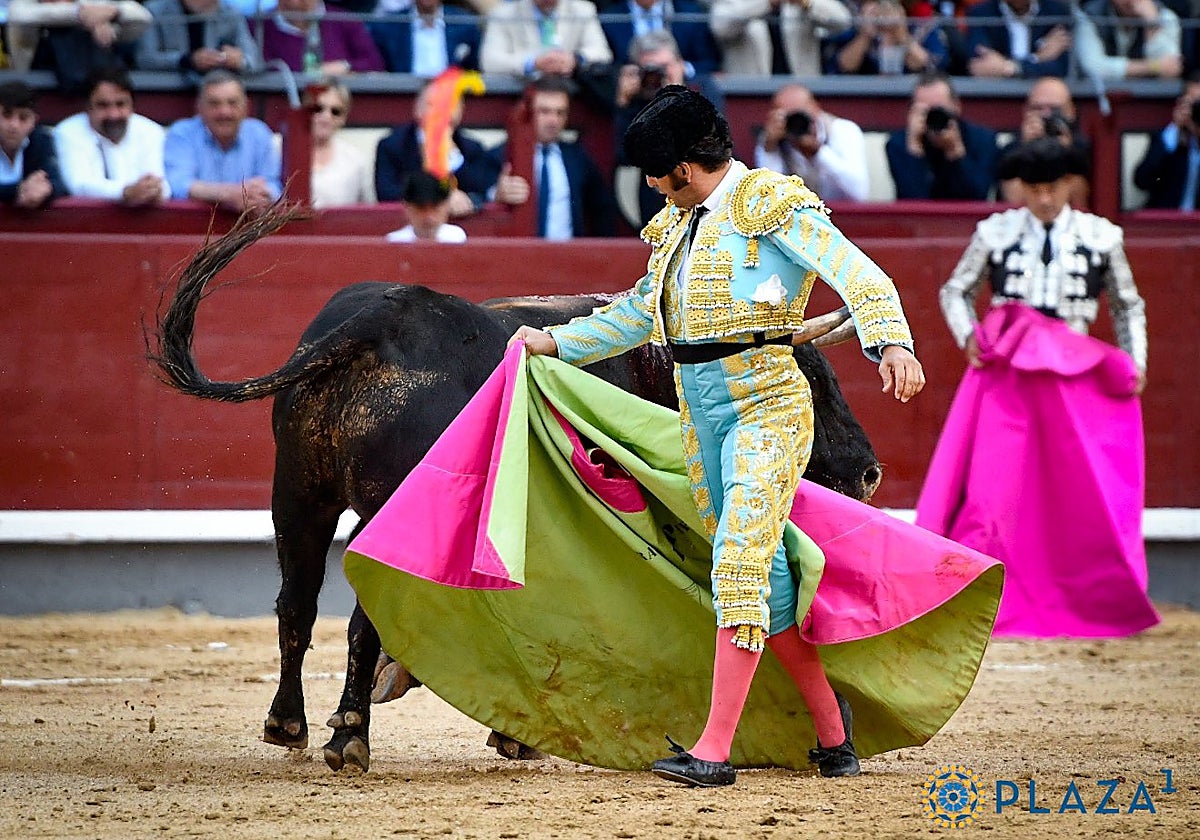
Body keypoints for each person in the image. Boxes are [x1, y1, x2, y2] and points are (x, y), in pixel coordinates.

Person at [509, 85, 925, 787]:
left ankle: (713, 750)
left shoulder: (769, 203)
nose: (649, 186)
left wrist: (892, 345)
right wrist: (554, 342)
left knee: (738, 562)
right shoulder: (676, 225)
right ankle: (832, 735)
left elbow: (859, 275)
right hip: (699, 410)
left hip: (766, 400)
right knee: (767, 580)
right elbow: (641, 314)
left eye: (653, 172)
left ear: (682, 167)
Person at [918, 137, 1155, 639]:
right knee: (995, 492)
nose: (1044, 199)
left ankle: (1082, 593)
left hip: (1074, 370)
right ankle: (986, 594)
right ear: (1020, 187)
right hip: (1010, 372)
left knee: (1078, 491)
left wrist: (1135, 361)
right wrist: (969, 337)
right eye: (1034, 188)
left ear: (1069, 184)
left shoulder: (1101, 236)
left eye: (1052, 188)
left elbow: (1126, 304)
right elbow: (954, 290)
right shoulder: (995, 232)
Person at [613, 30, 724, 225]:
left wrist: (677, 93)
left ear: (679, 64)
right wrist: (624, 105)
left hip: (704, 194)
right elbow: (626, 155)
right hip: (656, 197)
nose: (657, 75)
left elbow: (709, 142)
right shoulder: (636, 102)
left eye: (664, 67)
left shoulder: (703, 88)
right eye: (650, 69)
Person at [505, 76, 615, 238]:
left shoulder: (577, 157)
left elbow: (602, 208)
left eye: (560, 113)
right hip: (519, 256)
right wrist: (496, 195)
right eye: (544, 111)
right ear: (528, 113)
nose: (553, 121)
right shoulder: (505, 153)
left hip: (568, 256)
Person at [374, 77, 502, 212]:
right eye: (433, 105)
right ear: (417, 109)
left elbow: (482, 192)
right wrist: (442, 199)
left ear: (460, 112)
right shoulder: (392, 146)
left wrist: (453, 156)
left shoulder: (472, 149)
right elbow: (387, 195)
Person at [163, 70, 283, 212]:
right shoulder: (182, 133)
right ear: (199, 108)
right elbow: (178, 184)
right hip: (194, 227)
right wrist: (229, 195)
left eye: (232, 103)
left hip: (249, 226)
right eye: (214, 104)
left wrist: (260, 194)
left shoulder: (259, 133)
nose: (224, 112)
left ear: (246, 107)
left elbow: (274, 185)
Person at [53, 67, 170, 206]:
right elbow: (78, 185)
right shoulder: (68, 132)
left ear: (132, 106)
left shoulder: (150, 131)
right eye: (103, 105)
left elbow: (163, 186)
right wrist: (125, 192)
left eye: (120, 104)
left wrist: (154, 190)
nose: (113, 114)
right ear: (87, 107)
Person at [886, 70, 999, 201]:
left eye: (939, 110)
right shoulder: (898, 144)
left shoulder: (983, 140)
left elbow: (977, 197)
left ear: (956, 106)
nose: (933, 117)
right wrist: (914, 148)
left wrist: (956, 152)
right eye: (926, 112)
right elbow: (912, 201)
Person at [754, 83, 869, 202]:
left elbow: (859, 193)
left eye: (800, 114)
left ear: (816, 108)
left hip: (841, 214)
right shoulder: (773, 137)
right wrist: (770, 149)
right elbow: (767, 197)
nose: (797, 122)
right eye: (790, 117)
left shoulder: (843, 130)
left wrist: (818, 153)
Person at [5, 0, 151, 93]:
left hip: (97, 89)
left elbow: (142, 16)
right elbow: (18, 14)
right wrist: (79, 14)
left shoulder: (95, 5)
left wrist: (114, 12)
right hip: (40, 89)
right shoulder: (27, 5)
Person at [997, 76, 1090, 206]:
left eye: (1055, 109)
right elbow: (1014, 202)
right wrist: (1026, 149)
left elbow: (1080, 204)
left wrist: (1065, 154)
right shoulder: (1011, 149)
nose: (1046, 115)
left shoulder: (1085, 148)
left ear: (1072, 112)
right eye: (1038, 108)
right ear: (1025, 111)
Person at [709, 0, 851, 76]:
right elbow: (719, 26)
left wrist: (807, 4)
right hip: (751, 91)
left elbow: (843, 21)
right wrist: (767, 3)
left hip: (801, 90)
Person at [478, 0, 613, 78]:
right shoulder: (503, 14)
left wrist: (575, 59)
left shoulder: (583, 9)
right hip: (522, 92)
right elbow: (490, 61)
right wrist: (533, 63)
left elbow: (602, 52)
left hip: (571, 91)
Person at [137, 0, 263, 79]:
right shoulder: (154, 11)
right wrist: (187, 60)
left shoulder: (229, 13)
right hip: (169, 94)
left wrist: (240, 61)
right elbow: (145, 58)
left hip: (216, 92)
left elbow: (256, 60)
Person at [599, 0, 722, 77]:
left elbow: (710, 62)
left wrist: (683, 69)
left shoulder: (691, 14)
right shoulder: (609, 18)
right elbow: (608, 66)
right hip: (633, 99)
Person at [261, 0, 385, 75]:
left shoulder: (345, 21)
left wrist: (344, 67)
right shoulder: (259, 25)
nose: (293, 3)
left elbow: (375, 63)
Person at [826, 0, 950, 75]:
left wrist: (902, 35)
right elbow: (842, 67)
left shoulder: (923, 24)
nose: (885, 9)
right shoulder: (855, 24)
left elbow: (930, 68)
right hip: (864, 96)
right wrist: (865, 35)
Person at [1133, 70, 1200, 209]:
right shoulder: (1166, 138)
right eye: (1192, 105)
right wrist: (1175, 129)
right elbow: (1142, 181)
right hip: (1166, 222)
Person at [1074, 0, 1184, 81]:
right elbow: (1094, 68)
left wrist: (1151, 25)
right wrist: (1153, 66)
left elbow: (1171, 70)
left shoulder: (1166, 17)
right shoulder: (1090, 14)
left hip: (1149, 99)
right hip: (1101, 97)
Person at [307, 79, 374, 208]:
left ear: (344, 118)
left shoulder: (356, 159)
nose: (326, 117)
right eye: (318, 108)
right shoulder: (282, 151)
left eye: (335, 111)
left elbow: (368, 210)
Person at [963, 0, 1073, 79]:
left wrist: (1010, 68)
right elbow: (979, 65)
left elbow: (1061, 68)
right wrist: (1038, 57)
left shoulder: (1057, 12)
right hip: (999, 96)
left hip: (1043, 91)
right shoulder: (981, 13)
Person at [0, 79, 67, 208]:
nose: (14, 125)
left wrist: (46, 188)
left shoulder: (41, 139)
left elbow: (59, 184)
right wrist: (19, 190)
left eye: (23, 118)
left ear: (34, 121)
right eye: (6, 115)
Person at [367, 0, 482, 74]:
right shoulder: (389, 25)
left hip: (450, 98)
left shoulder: (464, 23)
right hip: (403, 98)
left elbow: (474, 68)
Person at [385, 169, 467, 242]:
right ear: (407, 208)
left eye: (435, 209)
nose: (429, 218)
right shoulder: (395, 241)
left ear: (446, 206)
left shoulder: (456, 238)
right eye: (420, 209)